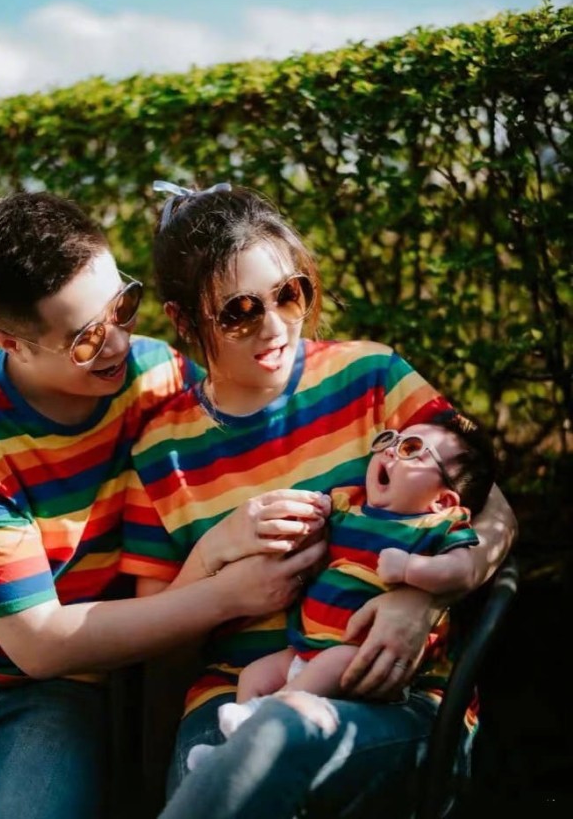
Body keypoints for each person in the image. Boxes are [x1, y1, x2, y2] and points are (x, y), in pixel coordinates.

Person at [121, 182, 516, 819]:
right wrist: (217, 552)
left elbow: (494, 513)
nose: (275, 326)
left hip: (393, 697)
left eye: (290, 293)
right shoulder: (160, 453)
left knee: (281, 739)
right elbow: (160, 646)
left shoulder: (372, 377)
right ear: (184, 319)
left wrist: (423, 596)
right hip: (231, 700)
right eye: (239, 312)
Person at [0, 191, 324, 819]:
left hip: (51, 696)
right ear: (12, 344)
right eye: (84, 339)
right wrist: (225, 594)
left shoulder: (158, 376)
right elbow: (40, 643)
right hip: (26, 666)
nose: (116, 345)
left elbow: (271, 413)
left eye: (122, 307)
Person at [185, 411, 495, 765]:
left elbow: (461, 571)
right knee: (255, 674)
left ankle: (261, 724)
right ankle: (232, 752)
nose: (390, 450)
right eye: (392, 440)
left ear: (443, 500)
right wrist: (315, 514)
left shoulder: (437, 525)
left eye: (410, 449)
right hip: (307, 647)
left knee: (331, 665)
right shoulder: (351, 507)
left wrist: (411, 569)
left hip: (364, 656)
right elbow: (318, 525)